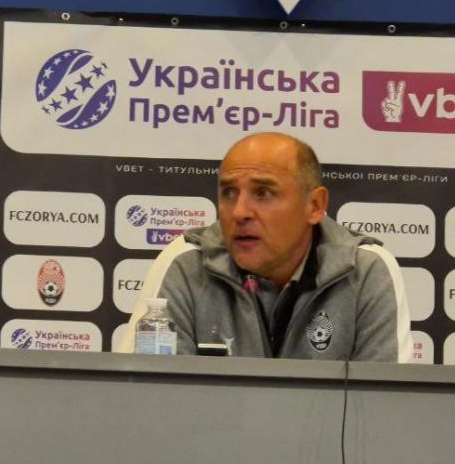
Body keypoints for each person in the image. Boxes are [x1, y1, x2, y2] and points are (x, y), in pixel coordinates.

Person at [122, 132, 410, 361]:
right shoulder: (185, 262)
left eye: (263, 193)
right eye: (228, 193)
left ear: (314, 205)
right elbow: (151, 398)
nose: (239, 212)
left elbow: (382, 405)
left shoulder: (365, 270)